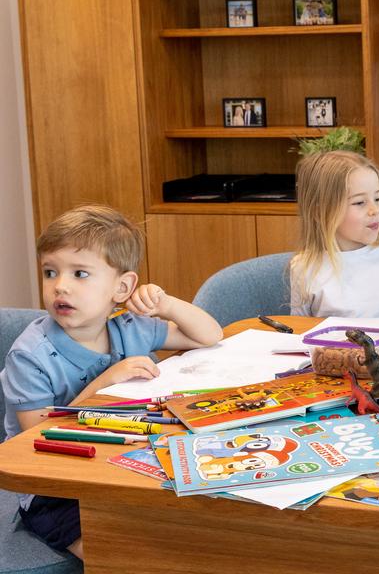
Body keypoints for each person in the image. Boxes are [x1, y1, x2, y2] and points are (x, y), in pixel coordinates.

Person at [1, 204, 223, 559]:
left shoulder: (128, 325)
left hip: (126, 464)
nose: (60, 286)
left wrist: (165, 304)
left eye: (80, 274)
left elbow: (208, 335)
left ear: (122, 287)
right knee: (116, 552)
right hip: (55, 488)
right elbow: (34, 436)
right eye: (50, 272)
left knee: (190, 529)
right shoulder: (30, 355)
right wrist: (104, 383)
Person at [290, 150, 379, 319]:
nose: (375, 210)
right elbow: (300, 332)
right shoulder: (304, 267)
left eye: (378, 199)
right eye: (359, 202)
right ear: (320, 212)